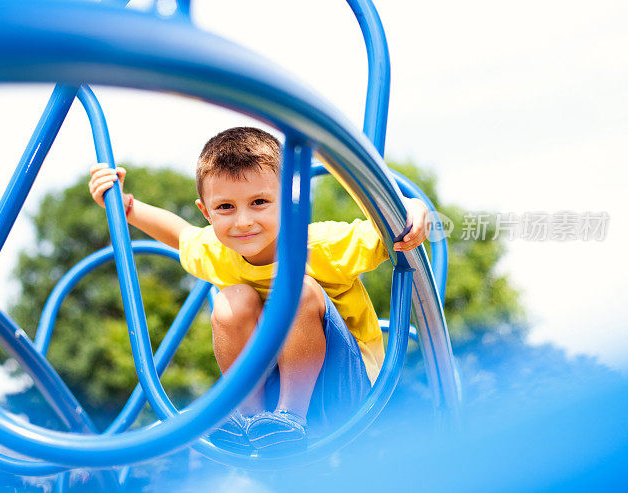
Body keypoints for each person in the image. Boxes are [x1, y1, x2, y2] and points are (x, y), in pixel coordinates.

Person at [88, 127, 428, 454]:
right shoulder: (218, 252)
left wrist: (413, 209)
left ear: (289, 200)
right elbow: (180, 235)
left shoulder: (323, 245)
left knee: (293, 287)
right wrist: (124, 204)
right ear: (206, 212)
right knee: (230, 301)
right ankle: (250, 421)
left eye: (260, 202)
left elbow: (389, 230)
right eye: (225, 207)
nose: (243, 221)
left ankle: (289, 418)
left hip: (345, 386)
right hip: (271, 390)